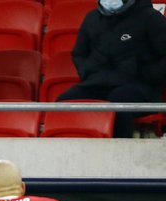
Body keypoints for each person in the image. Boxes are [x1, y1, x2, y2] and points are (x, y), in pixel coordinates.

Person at [56, 0, 166, 138]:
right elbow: (79, 54)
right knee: (64, 101)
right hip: (98, 83)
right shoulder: (92, 18)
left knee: (119, 102)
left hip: (140, 86)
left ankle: (119, 154)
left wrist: (147, 75)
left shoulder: (151, 18)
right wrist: (88, 72)